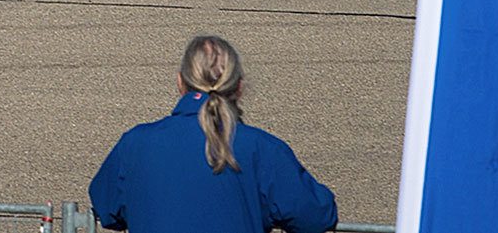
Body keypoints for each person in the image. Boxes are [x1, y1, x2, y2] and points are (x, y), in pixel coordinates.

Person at [88, 36, 336, 233]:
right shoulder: (261, 149)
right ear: (238, 87)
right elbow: (315, 216)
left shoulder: (135, 144)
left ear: (180, 83)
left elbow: (107, 208)